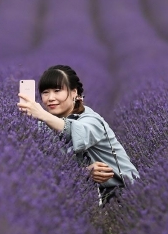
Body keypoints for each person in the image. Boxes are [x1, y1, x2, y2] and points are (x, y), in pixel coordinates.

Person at [17, 65, 139, 206]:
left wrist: (41, 114)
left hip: (126, 192)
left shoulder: (92, 120)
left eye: (57, 91)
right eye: (45, 92)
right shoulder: (45, 126)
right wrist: (84, 172)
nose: (50, 98)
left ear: (74, 93)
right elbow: (53, 166)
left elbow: (77, 133)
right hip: (95, 197)